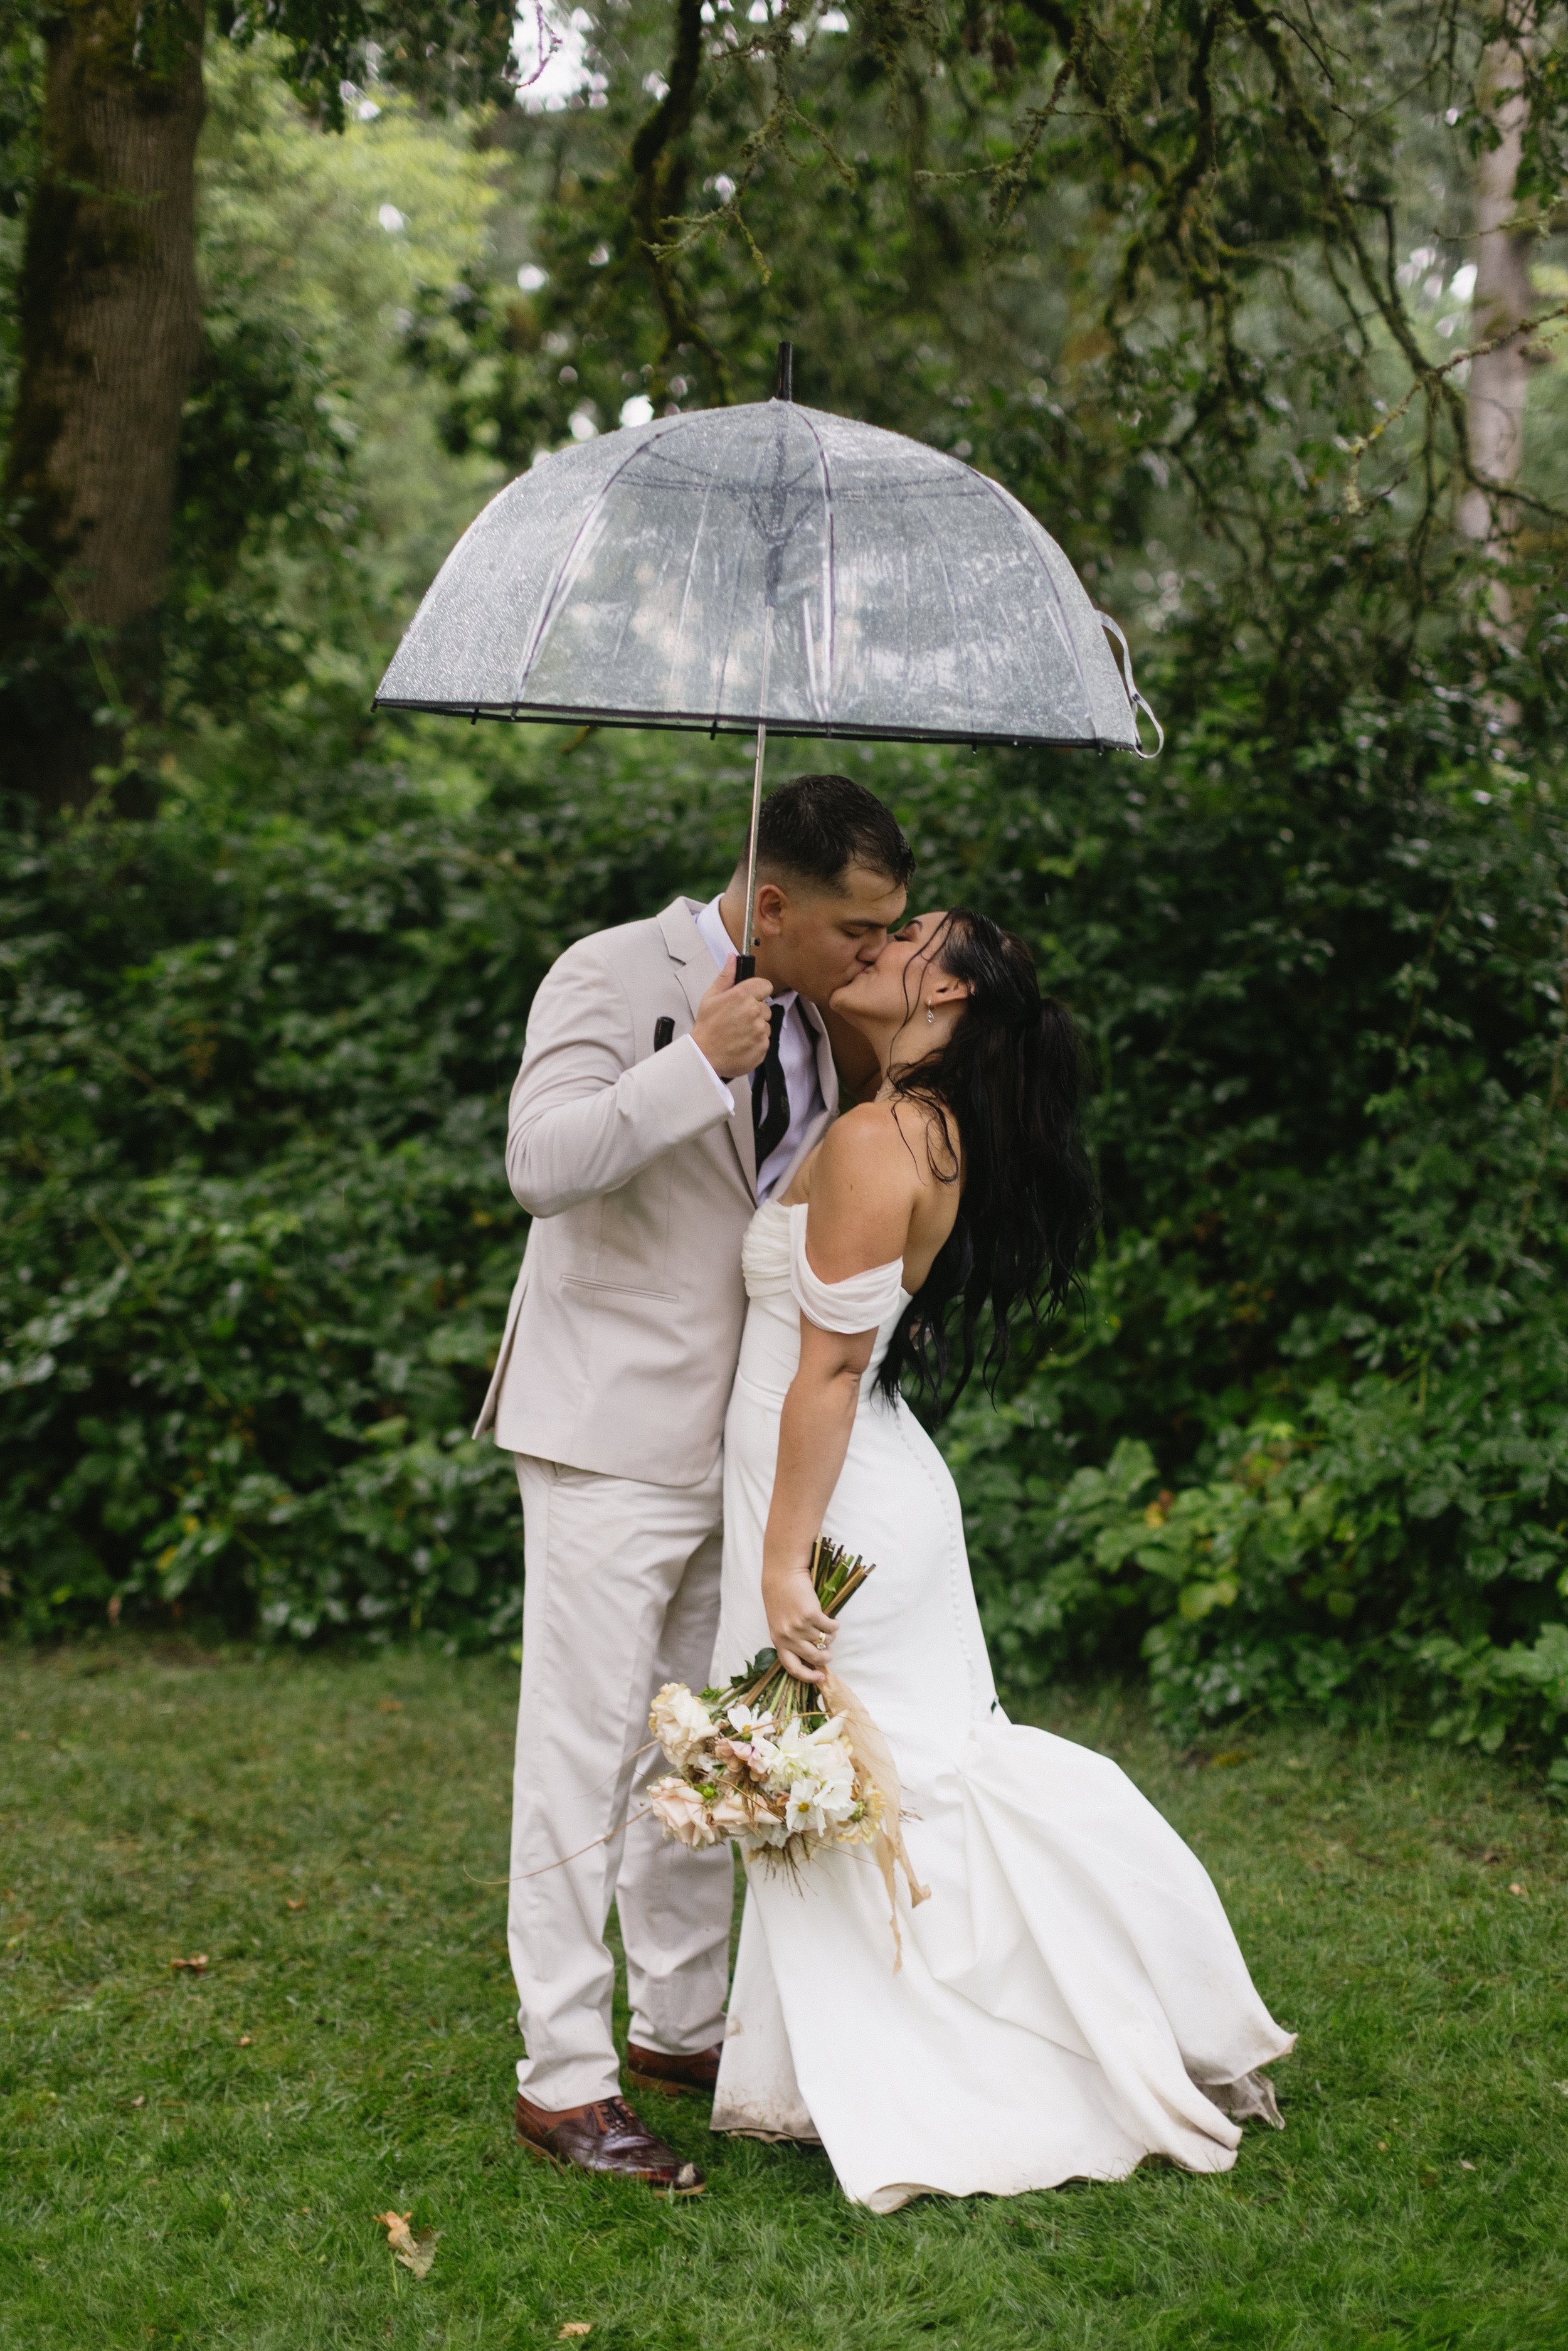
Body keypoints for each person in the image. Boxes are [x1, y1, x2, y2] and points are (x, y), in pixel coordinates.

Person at [708, 906, 1295, 2210]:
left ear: (954, 994)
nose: (878, 937)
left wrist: (782, 1564)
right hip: (847, 1472)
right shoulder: (903, 1116)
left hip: (834, 1492)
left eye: (910, 934)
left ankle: (1010, 2053)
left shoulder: (879, 1139)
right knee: (858, 1776)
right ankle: (820, 2063)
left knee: (884, 1778)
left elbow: (830, 1364)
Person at [474, 773, 913, 2193]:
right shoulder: (607, 971)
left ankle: (672, 2027)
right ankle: (562, 2078)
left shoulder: (831, 1018)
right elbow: (538, 1162)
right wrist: (691, 1067)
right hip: (604, 1436)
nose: (868, 955)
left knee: (694, 1745)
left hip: (736, 1444)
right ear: (771, 904)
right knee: (581, 1752)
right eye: (855, 929)